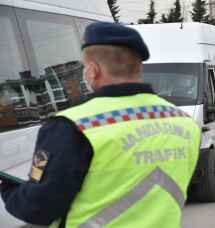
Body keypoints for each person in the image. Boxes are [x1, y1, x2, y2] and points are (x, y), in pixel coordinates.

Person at [0, 22, 201, 227]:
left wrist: (7, 187)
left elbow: (38, 208)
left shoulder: (72, 126)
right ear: (139, 67)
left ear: (92, 70)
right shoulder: (184, 121)